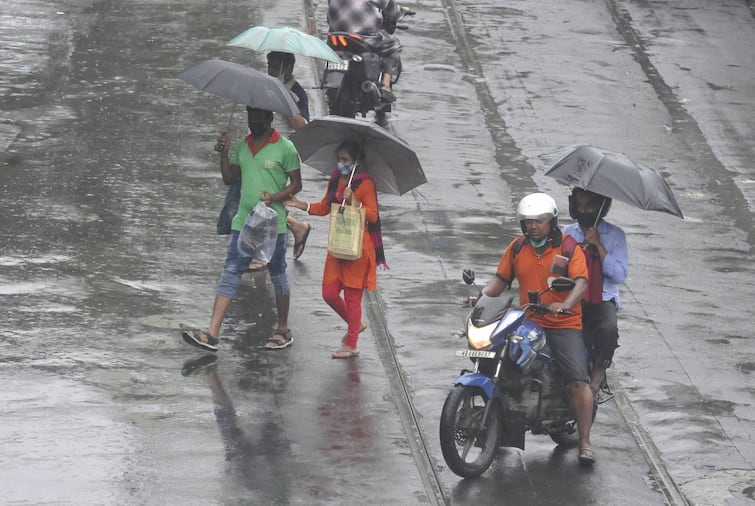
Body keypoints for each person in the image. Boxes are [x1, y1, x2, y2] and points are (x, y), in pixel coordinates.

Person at [481, 192, 596, 465]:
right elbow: (501, 279)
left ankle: (585, 442)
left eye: (539, 221)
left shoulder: (569, 248)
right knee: (496, 357)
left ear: (552, 222)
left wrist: (565, 304)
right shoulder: (518, 247)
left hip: (563, 323)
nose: (533, 226)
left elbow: (580, 283)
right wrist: (481, 296)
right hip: (527, 320)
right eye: (528, 222)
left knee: (578, 379)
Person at [182, 107, 302, 352]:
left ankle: (282, 328)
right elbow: (229, 178)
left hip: (272, 223)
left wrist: (275, 197)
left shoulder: (286, 148)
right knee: (231, 270)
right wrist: (224, 153)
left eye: (259, 118)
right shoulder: (244, 146)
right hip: (244, 222)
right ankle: (213, 334)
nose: (254, 123)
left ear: (270, 118)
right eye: (251, 119)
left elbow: (297, 184)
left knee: (278, 272)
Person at [283, 141, 387, 359]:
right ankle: (355, 324)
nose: (341, 164)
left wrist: (355, 201)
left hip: (358, 248)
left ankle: (351, 344)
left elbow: (373, 216)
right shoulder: (334, 179)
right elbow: (325, 206)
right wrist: (301, 205)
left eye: (345, 160)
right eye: (339, 159)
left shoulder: (365, 183)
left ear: (356, 161)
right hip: (338, 245)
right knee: (329, 293)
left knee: (352, 297)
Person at [562, 187, 629, 397]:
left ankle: (597, 378)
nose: (584, 210)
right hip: (572, 296)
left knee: (608, 329)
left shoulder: (616, 235)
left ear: (601, 207)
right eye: (580, 206)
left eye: (589, 206)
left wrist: (598, 245)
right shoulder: (567, 233)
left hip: (601, 298)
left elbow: (619, 275)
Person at [266, 51, 311, 260]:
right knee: (266, 196)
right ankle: (296, 226)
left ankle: (291, 230)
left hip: (283, 151)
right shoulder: (267, 86)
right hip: (265, 147)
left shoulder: (297, 92)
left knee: (268, 196)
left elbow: (303, 126)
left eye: (276, 67)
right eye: (270, 66)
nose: (271, 71)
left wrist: (287, 103)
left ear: (288, 68)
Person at [327, 0, 408, 102]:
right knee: (394, 46)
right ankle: (386, 86)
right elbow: (391, 9)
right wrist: (402, 12)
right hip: (363, 36)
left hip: (335, 35)